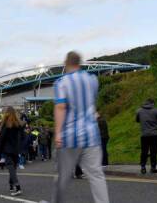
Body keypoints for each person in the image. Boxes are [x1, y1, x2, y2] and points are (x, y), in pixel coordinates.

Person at [52, 51, 109, 203]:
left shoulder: (61, 83)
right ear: (80, 63)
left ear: (66, 63)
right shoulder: (92, 80)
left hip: (70, 137)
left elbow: (61, 107)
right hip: (92, 135)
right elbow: (91, 104)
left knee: (63, 176)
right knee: (96, 175)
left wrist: (58, 133)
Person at [0, 107, 25, 196]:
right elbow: (23, 137)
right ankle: (11, 185)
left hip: (7, 148)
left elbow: (2, 138)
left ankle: (18, 187)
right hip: (16, 149)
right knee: (13, 168)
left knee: (11, 168)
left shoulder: (6, 124)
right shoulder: (19, 124)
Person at [136, 98, 157, 174]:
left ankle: (143, 167)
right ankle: (153, 168)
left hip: (144, 135)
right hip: (155, 134)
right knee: (153, 151)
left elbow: (137, 120)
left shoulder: (139, 111)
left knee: (144, 151)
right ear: (152, 103)